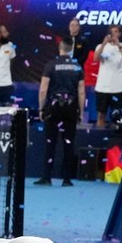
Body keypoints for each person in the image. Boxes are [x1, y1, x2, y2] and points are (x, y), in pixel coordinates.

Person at [35, 36, 84, 187]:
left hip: (53, 108)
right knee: (68, 144)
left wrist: (41, 108)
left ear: (60, 48)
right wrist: (80, 112)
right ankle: (67, 179)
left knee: (50, 143)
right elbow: (81, 92)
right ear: (71, 49)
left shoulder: (51, 65)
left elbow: (43, 89)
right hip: (70, 109)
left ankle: (46, 177)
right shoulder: (77, 67)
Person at [93, 24, 122, 129]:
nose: (113, 34)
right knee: (101, 115)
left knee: (116, 117)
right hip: (102, 88)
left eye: (116, 31)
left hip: (117, 88)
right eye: (111, 32)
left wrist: (119, 46)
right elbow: (95, 59)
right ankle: (100, 140)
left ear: (119, 33)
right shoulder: (101, 47)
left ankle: (113, 141)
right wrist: (104, 43)